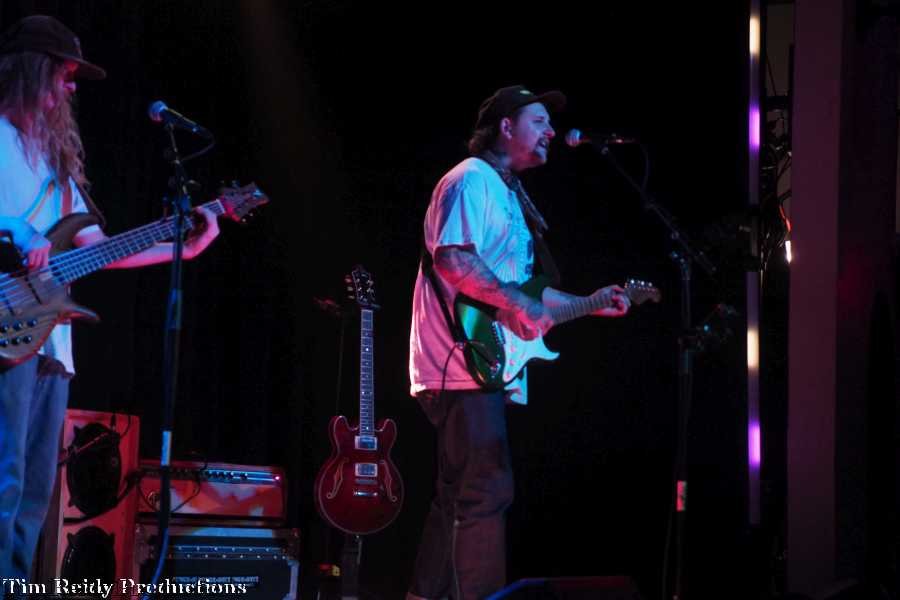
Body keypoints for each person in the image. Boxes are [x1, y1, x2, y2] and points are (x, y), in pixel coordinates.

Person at [0, 15, 219, 580]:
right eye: (64, 75)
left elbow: (101, 250)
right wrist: (15, 229)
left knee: (34, 494)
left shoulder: (57, 166)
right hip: (5, 333)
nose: (71, 89)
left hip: (51, 343)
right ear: (33, 71)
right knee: (4, 483)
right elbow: (17, 231)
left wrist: (183, 247)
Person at [407, 85, 631, 599]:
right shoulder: (471, 179)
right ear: (505, 127)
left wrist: (589, 301)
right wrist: (515, 303)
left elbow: (526, 291)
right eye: (539, 121)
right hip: (458, 360)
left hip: (476, 364)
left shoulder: (508, 194)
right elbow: (453, 258)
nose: (551, 131)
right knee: (487, 489)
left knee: (459, 495)